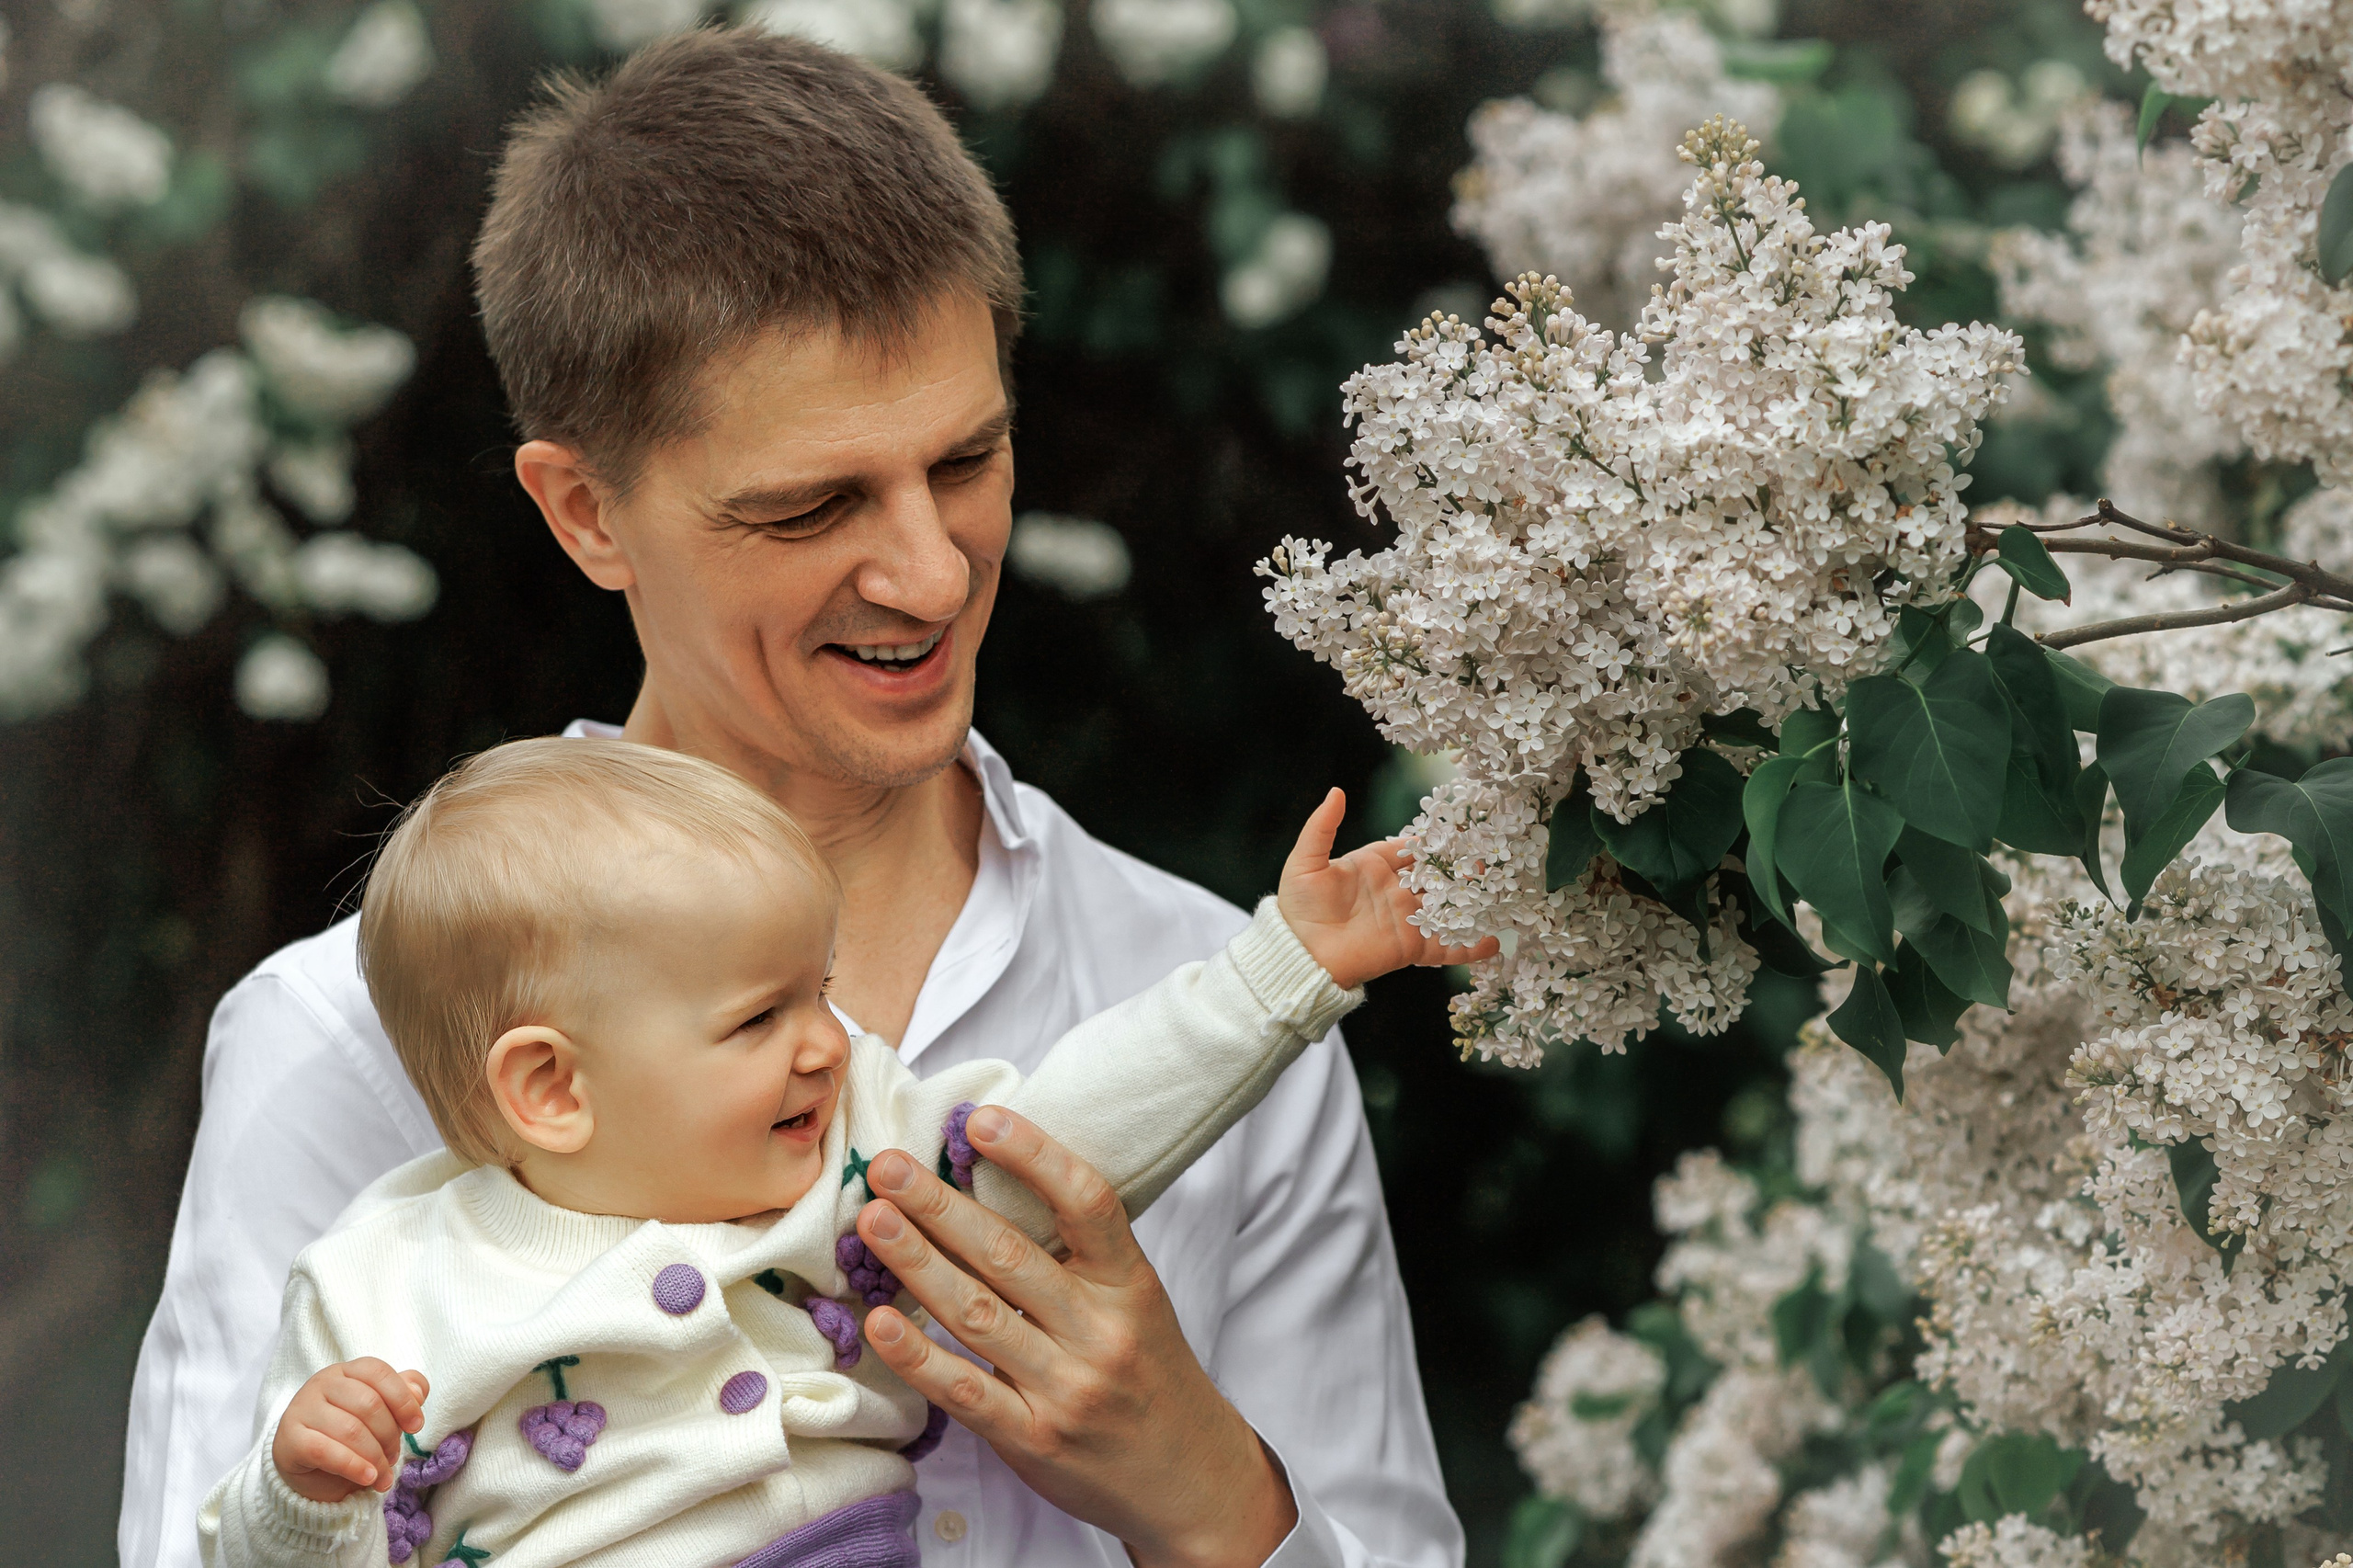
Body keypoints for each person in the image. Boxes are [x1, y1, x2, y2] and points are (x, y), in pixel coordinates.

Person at [121, 26, 1465, 1568]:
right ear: (586, 512)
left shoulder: (1215, 995)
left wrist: (1206, 1493)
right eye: (814, 503)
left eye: (967, 460)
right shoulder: (346, 1043)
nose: (932, 569)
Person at [199, 739, 1489, 1567]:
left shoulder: (856, 1161)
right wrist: (301, 1490)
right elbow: (268, 1554)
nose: (831, 1041)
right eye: (762, 1018)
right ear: (550, 1085)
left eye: (818, 992)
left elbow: (1065, 1134)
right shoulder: (381, 1279)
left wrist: (1287, 970)